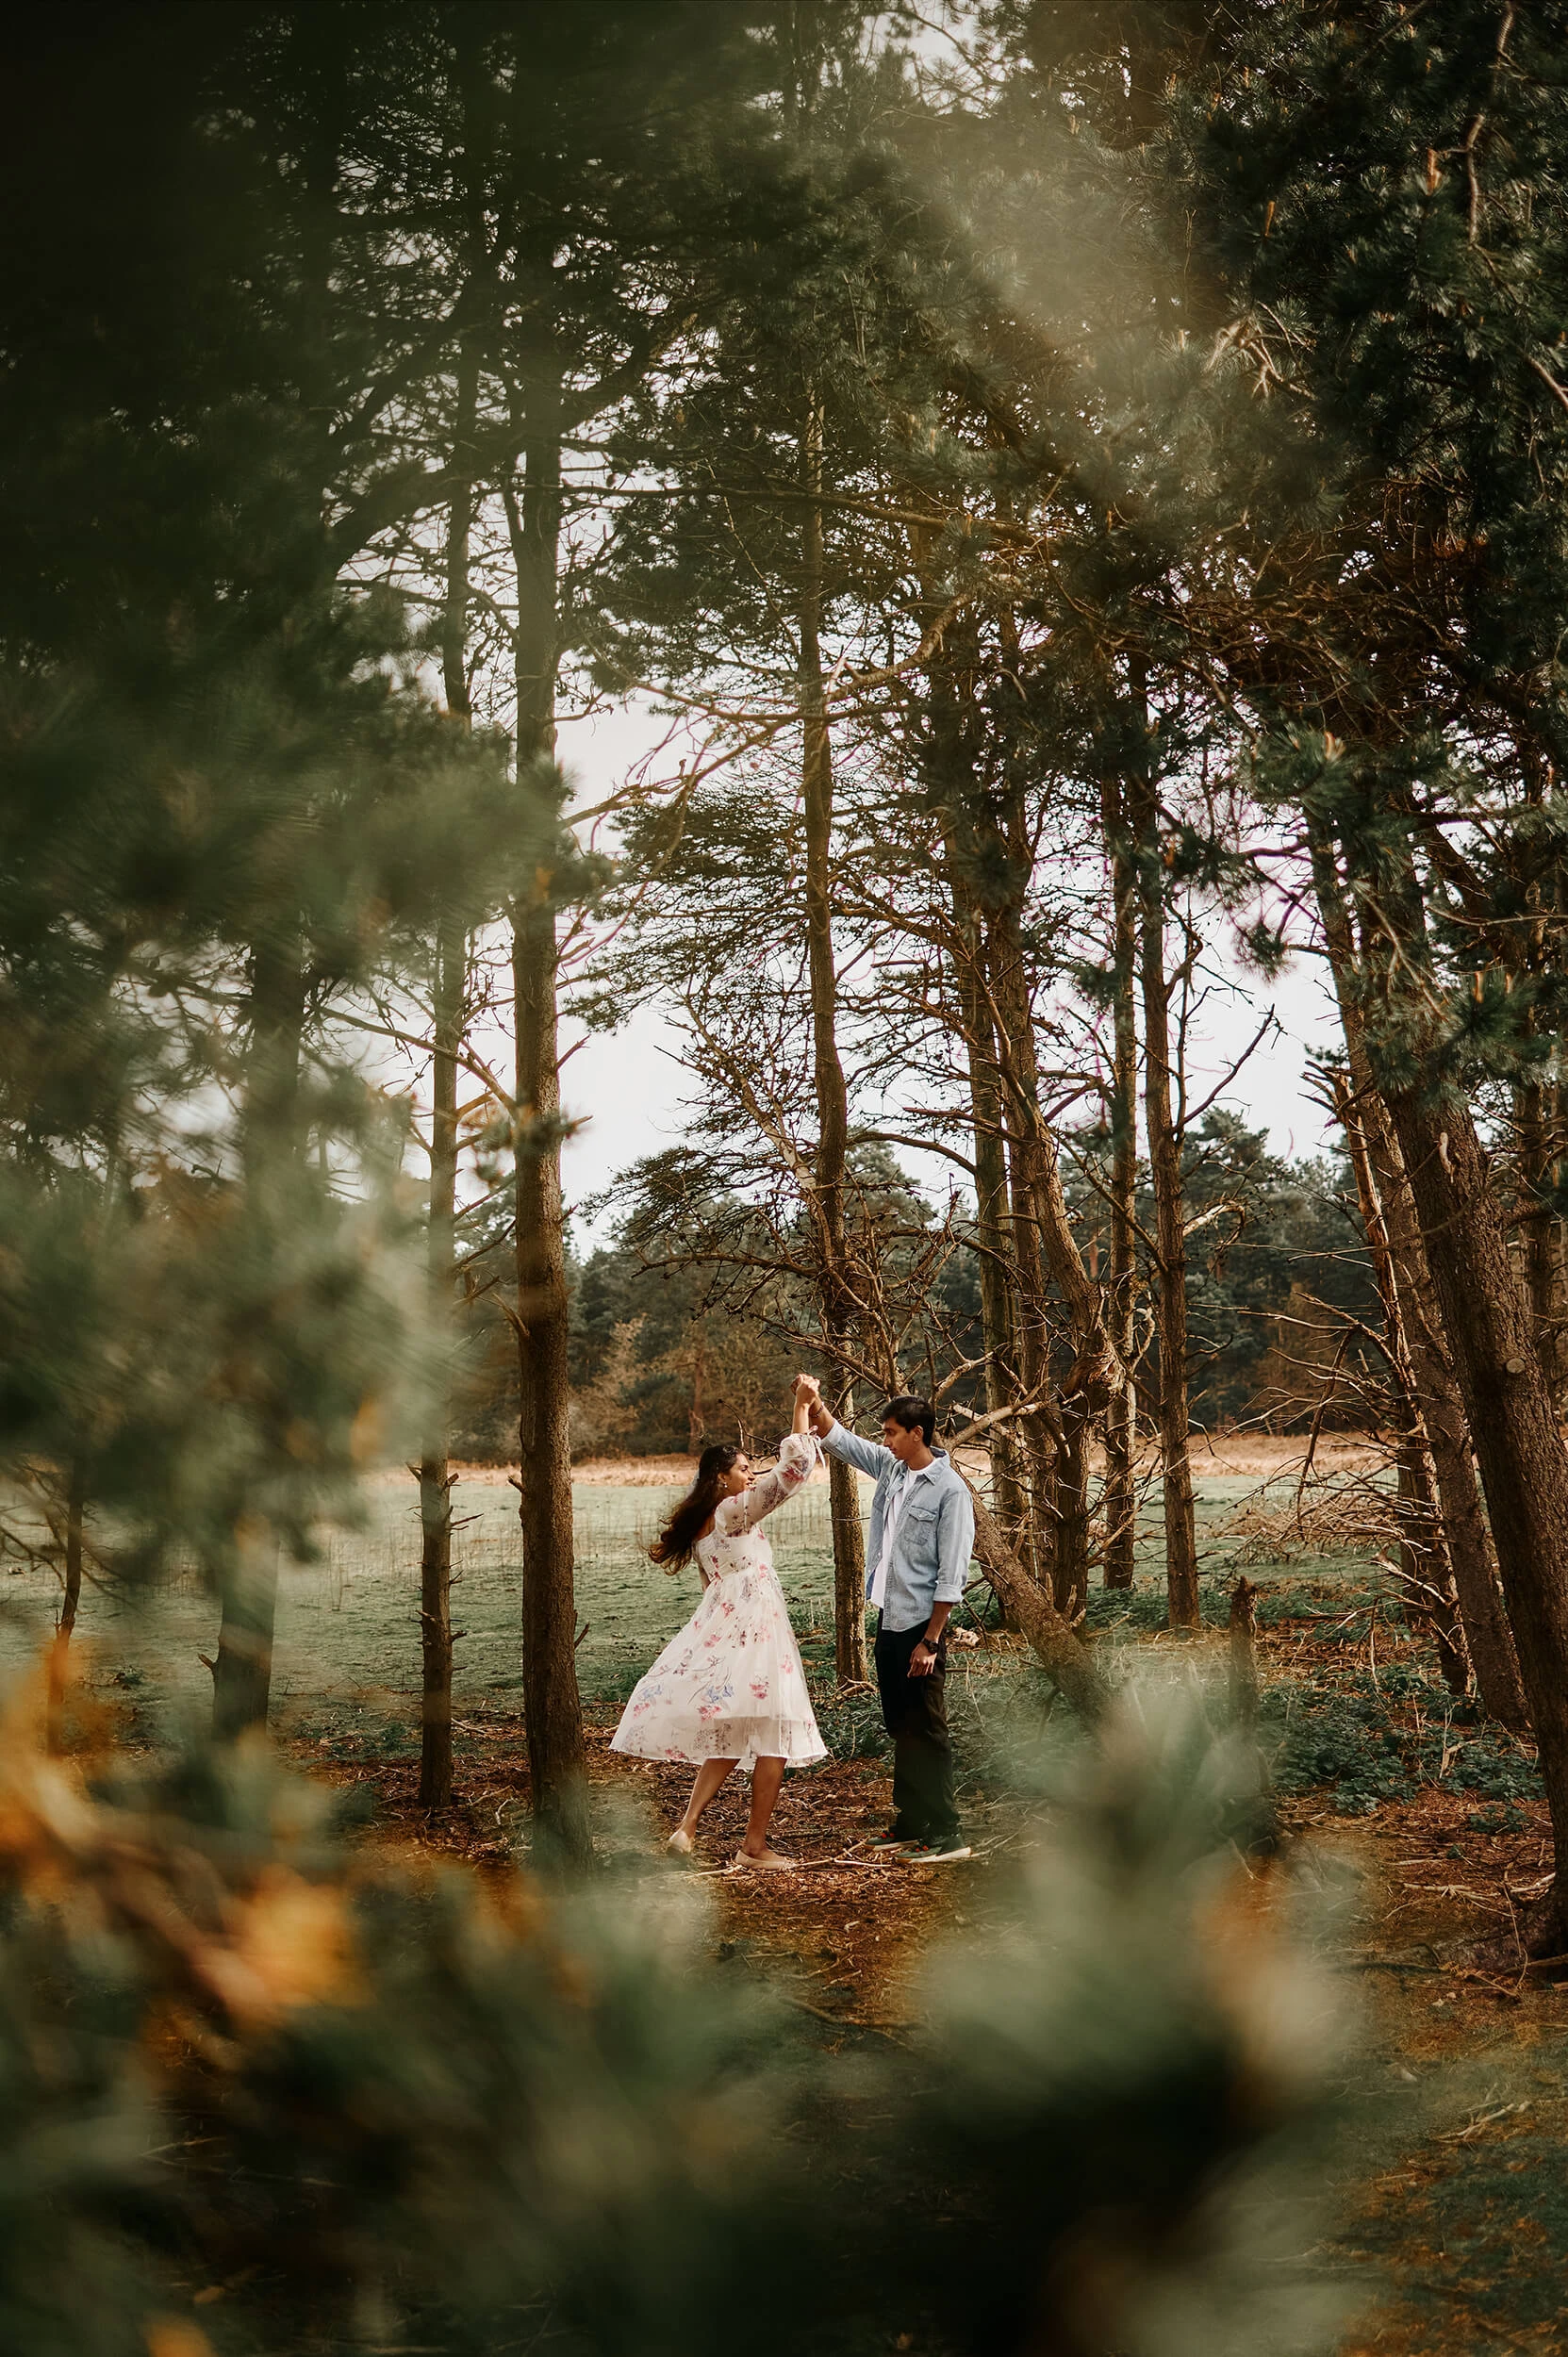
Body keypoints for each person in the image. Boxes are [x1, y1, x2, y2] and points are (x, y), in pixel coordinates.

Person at [610, 1377, 826, 1870]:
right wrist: (800, 1407)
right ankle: (754, 1847)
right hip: (759, 1632)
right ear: (720, 1480)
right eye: (744, 1469)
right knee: (775, 1732)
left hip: (734, 1635)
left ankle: (687, 1828)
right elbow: (792, 1474)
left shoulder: (708, 1524)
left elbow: (714, 1590)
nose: (751, 1476)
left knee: (730, 1735)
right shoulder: (731, 1512)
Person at [801, 1379, 973, 1864]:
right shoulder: (895, 1470)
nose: (886, 1440)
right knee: (902, 1726)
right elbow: (845, 1443)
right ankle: (911, 1823)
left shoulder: (951, 1492)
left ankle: (947, 1833)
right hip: (889, 1620)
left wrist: (932, 1642)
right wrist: (812, 1405)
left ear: (917, 1434)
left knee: (928, 1730)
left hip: (922, 1629)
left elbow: (951, 1574)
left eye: (893, 1432)